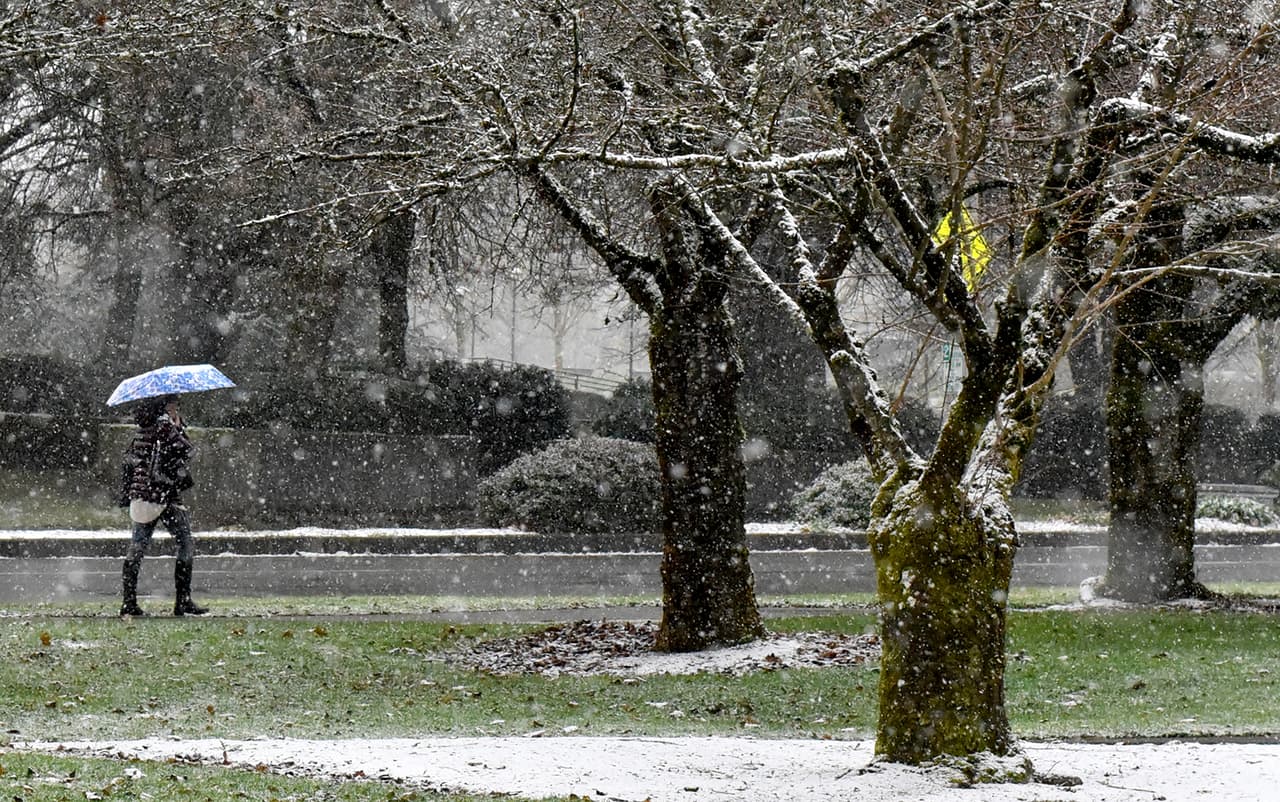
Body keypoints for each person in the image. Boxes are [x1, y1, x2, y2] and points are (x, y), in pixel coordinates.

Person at [119, 394, 208, 618]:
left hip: (140, 495)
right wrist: (177, 427)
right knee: (185, 544)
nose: (176, 408)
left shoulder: (141, 429)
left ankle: (129, 602)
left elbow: (132, 459)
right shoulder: (164, 427)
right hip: (164, 494)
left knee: (137, 548)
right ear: (166, 406)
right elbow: (188, 450)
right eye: (174, 404)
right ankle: (183, 601)